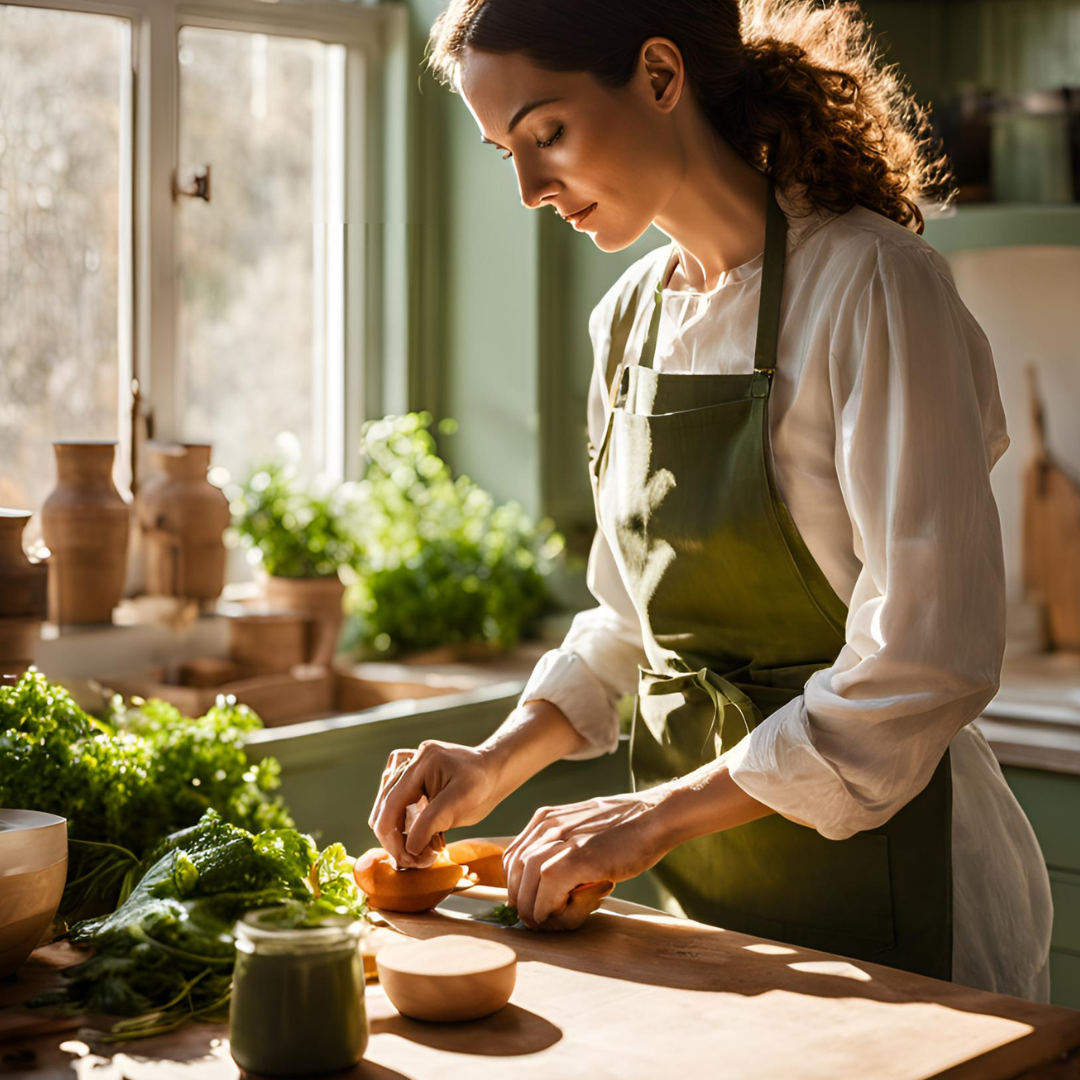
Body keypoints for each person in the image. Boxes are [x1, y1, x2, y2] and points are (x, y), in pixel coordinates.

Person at [367, 0, 1053, 1000]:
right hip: (705, 903)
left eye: (545, 133)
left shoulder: (873, 289)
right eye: (501, 151)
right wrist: (494, 760)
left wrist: (648, 818)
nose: (525, 189)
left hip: (905, 898)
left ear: (658, 75)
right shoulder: (631, 322)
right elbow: (632, 624)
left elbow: (924, 661)